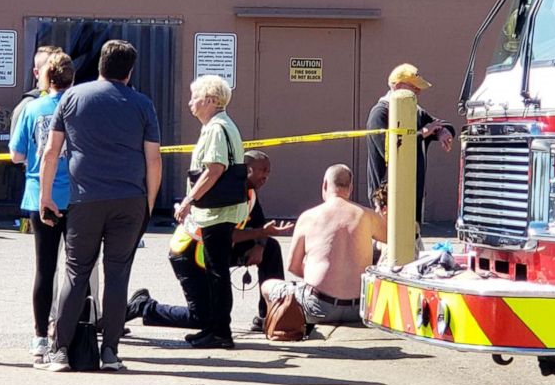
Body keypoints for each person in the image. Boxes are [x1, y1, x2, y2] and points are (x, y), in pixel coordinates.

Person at [38, 40, 162, 372]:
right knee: (118, 275)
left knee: (76, 274)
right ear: (130, 71)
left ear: (100, 65)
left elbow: (51, 152)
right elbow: (153, 159)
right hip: (130, 199)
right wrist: (148, 203)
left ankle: (60, 351)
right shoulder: (143, 104)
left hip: (85, 200)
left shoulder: (72, 98)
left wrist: (45, 196)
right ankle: (110, 351)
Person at [126, 150, 293, 332]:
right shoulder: (226, 192)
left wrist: (260, 245)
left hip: (216, 252)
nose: (267, 175)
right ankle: (144, 306)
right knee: (201, 318)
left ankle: (269, 315)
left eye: (269, 171)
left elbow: (260, 224)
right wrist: (261, 232)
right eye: (263, 170)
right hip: (189, 255)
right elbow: (225, 235)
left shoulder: (250, 193)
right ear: (246, 169)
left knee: (271, 248)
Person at [9, 51, 74, 364]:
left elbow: (16, 155)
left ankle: (39, 338)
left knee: (44, 268)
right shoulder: (78, 108)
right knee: (78, 271)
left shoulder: (32, 108)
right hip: (76, 196)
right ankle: (70, 334)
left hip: (39, 196)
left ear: (46, 78)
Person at [172, 75, 246, 349]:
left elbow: (214, 169)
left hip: (218, 212)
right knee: (216, 270)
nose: (191, 102)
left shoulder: (216, 128)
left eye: (196, 97)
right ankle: (214, 328)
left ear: (212, 100)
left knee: (217, 272)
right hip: (221, 211)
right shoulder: (222, 125)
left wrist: (189, 199)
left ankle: (219, 333)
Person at [261, 165, 386, 325]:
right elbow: (396, 241)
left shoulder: (308, 217)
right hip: (359, 308)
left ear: (325, 185)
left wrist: (321, 276)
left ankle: (274, 324)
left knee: (267, 286)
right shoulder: (367, 216)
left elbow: (293, 266)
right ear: (351, 188)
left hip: (317, 306)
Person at [365, 63, 454, 248]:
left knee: (412, 244)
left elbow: (438, 124)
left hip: (413, 192)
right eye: (413, 88)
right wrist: (422, 133)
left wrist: (443, 132)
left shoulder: (416, 111)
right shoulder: (379, 113)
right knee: (389, 248)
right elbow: (393, 150)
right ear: (396, 87)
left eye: (418, 88)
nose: (418, 93)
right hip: (387, 196)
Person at [11, 45, 62, 139]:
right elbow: (16, 150)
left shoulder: (70, 101)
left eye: (61, 69)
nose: (57, 74)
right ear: (36, 73)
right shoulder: (27, 106)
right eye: (51, 70)